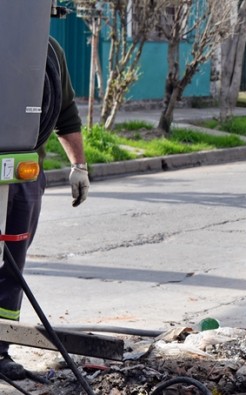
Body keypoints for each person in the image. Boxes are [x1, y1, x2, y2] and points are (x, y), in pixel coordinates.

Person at [0, 36, 90, 381]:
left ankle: (0, 349)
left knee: (11, 269)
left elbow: (64, 111)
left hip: (21, 171)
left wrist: (78, 166)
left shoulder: (48, 50)